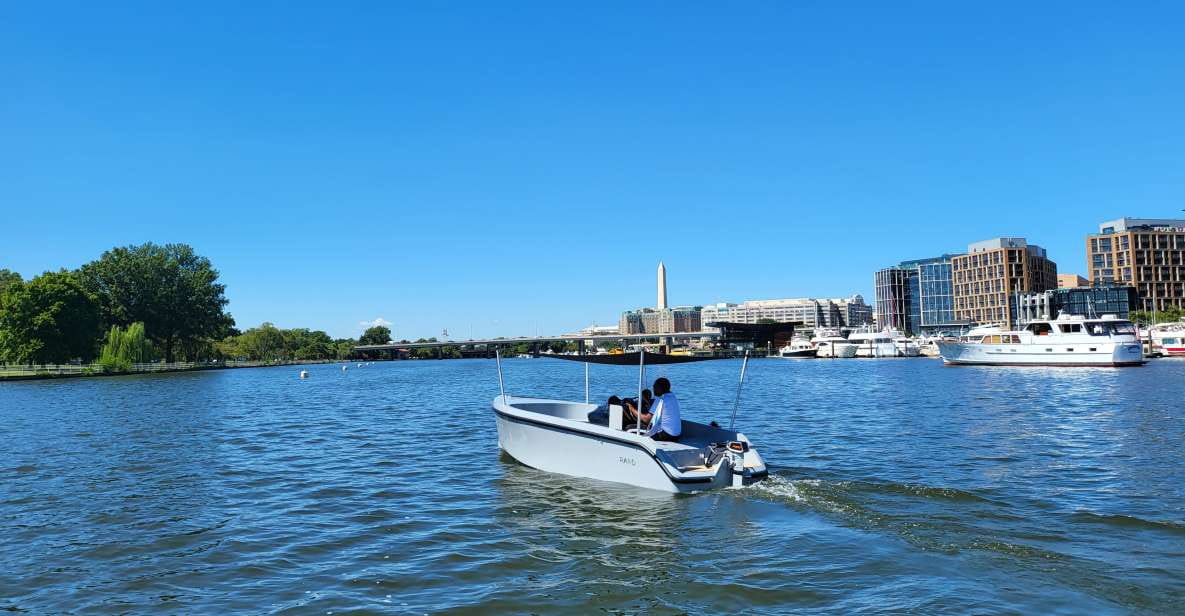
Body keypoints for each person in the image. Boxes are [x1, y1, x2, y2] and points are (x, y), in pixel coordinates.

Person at [646, 377, 681, 442]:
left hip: (664, 436)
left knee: (631, 428)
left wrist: (631, 408)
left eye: (654, 387)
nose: (653, 389)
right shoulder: (672, 396)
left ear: (660, 388)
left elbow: (647, 419)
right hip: (676, 436)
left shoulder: (660, 399)